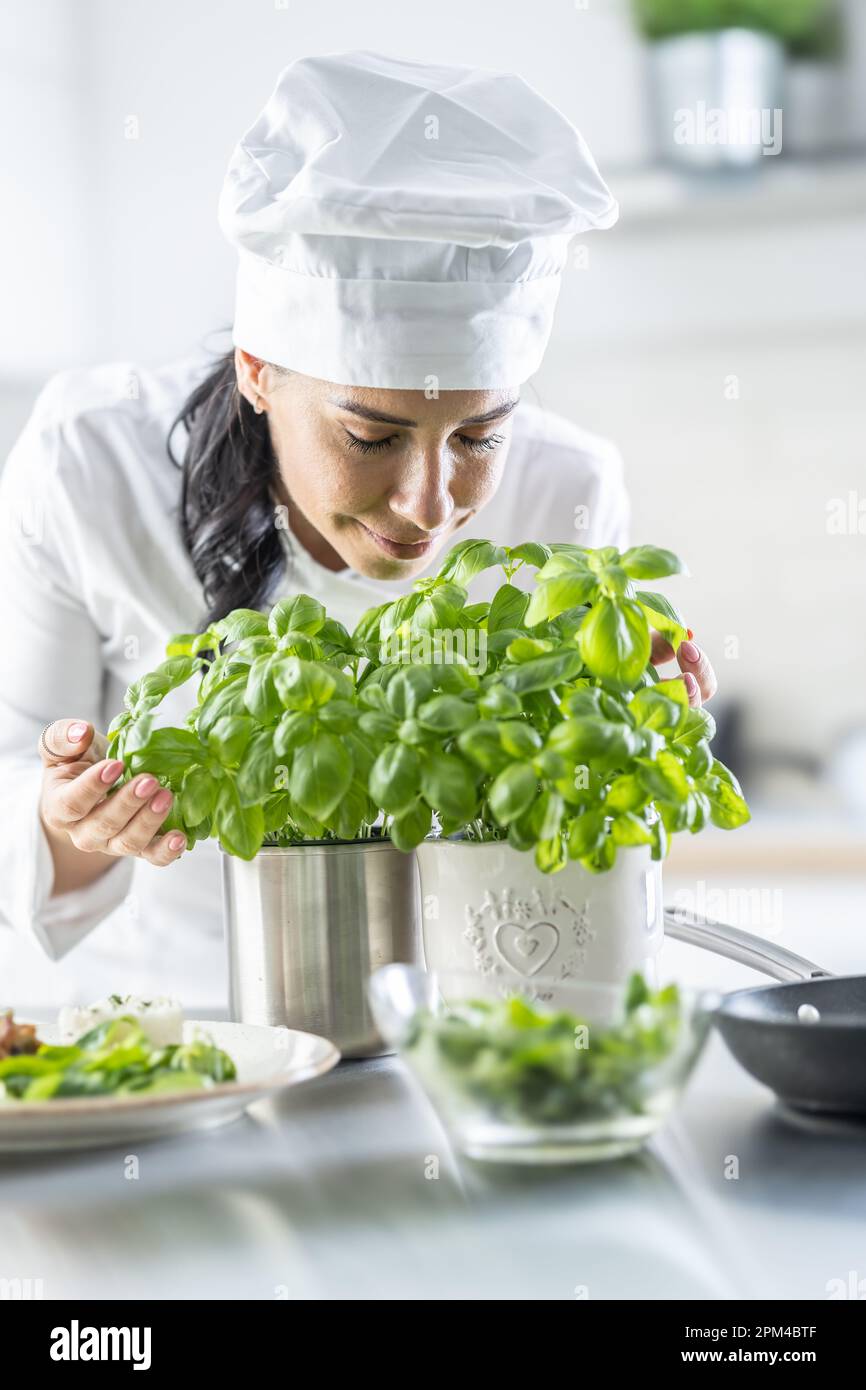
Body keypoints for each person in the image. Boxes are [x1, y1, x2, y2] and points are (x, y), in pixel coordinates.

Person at [0, 51, 716, 1007]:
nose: (430, 503)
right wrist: (65, 816)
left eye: (479, 435)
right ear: (260, 370)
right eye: (371, 436)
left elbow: (570, 827)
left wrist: (636, 719)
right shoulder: (91, 462)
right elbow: (15, 765)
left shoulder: (569, 493)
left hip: (461, 1025)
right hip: (174, 1031)